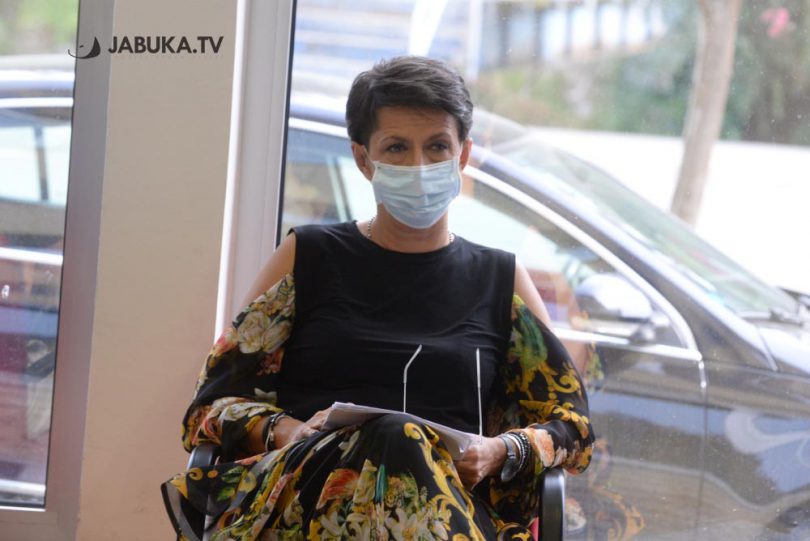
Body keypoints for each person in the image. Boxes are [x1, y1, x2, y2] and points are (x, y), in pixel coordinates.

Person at [162, 56, 594, 540]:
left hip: (448, 513)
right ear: (364, 159)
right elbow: (209, 408)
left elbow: (571, 428)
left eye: (437, 146)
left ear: (463, 156)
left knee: (401, 440)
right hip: (306, 508)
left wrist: (498, 451)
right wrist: (289, 430)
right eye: (396, 147)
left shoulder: (501, 279)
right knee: (394, 435)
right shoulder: (308, 257)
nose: (419, 165)